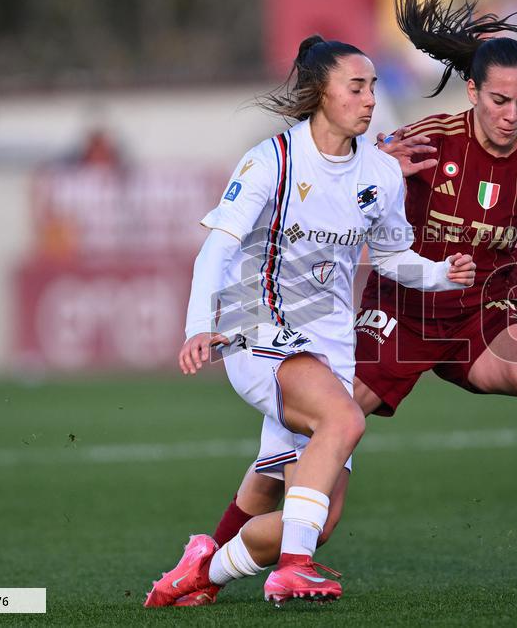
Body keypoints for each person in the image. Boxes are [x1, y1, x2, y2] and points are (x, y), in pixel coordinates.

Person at [183, 0, 517, 607]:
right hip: (400, 315)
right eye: (499, 100)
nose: (510, 115)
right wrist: (378, 159)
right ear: (473, 90)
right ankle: (206, 562)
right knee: (308, 447)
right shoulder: (427, 144)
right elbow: (359, 190)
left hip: (484, 316)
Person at [143, 34, 476, 608]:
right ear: (321, 92)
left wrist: (444, 273)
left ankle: (206, 568)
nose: (371, 99)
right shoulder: (271, 158)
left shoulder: (380, 173)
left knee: (314, 516)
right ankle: (294, 570)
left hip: (328, 349)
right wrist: (199, 325)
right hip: (256, 327)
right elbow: (215, 251)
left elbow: (393, 257)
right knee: (344, 420)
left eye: (374, 86)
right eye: (357, 87)